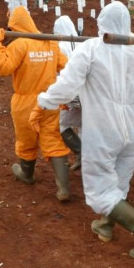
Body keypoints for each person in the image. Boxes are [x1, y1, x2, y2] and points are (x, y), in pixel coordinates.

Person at [34, 1, 134, 259]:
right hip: (131, 131)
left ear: (101, 24)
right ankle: (106, 226)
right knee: (118, 183)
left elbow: (67, 86)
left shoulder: (91, 50)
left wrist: (43, 102)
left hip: (102, 132)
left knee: (99, 191)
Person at [0, 6, 71, 202]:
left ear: (15, 26)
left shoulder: (20, 45)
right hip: (49, 101)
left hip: (26, 102)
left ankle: (27, 174)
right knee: (53, 140)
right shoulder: (49, 43)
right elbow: (66, 65)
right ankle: (64, 189)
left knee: (26, 140)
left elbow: (3, 68)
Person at [53, 15, 82, 170]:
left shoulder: (59, 47)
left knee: (61, 125)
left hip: (68, 93)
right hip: (84, 93)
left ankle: (80, 152)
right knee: (84, 125)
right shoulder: (81, 44)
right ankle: (88, 158)